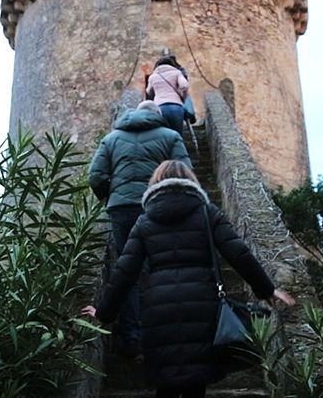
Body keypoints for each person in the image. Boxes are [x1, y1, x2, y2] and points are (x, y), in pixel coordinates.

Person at [82, 160, 296, 398]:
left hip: (158, 308)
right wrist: (267, 289)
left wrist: (104, 313)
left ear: (155, 183)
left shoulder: (144, 221)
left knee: (166, 383)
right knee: (196, 381)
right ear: (191, 181)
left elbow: (125, 271)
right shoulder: (207, 213)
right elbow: (238, 253)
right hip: (202, 304)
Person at [88, 101, 192, 358]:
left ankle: (131, 337)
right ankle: (163, 335)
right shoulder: (170, 136)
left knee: (127, 270)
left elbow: (96, 176)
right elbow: (185, 173)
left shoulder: (112, 138)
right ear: (157, 116)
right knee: (161, 267)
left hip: (121, 210)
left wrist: (111, 194)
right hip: (156, 206)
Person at [146, 55, 190, 134]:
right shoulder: (177, 73)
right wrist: (183, 97)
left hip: (159, 107)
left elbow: (148, 91)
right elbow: (184, 86)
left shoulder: (153, 76)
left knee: (162, 134)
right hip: (176, 106)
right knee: (177, 133)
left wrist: (155, 92)